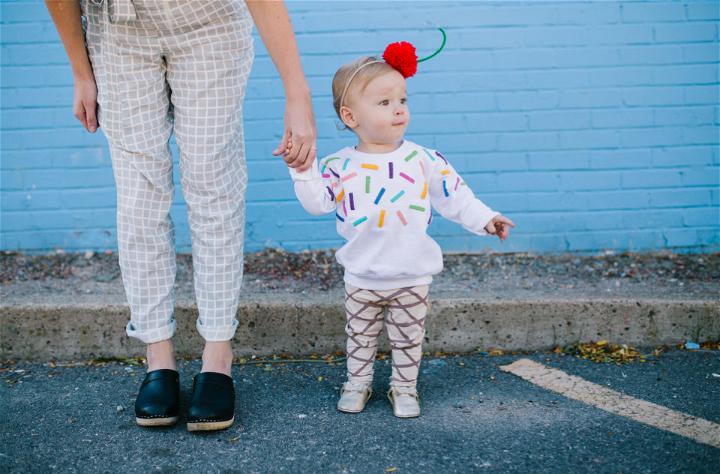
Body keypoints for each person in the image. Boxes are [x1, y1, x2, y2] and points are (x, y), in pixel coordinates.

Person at [45, 0, 316, 431]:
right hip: (117, 29)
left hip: (208, 22)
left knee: (213, 186)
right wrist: (80, 70)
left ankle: (218, 358)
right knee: (139, 197)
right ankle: (159, 359)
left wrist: (296, 91)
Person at [286, 40, 515, 418]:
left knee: (408, 338)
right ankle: (357, 383)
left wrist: (485, 218)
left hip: (412, 274)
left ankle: (404, 388)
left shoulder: (424, 160)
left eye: (402, 100)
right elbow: (317, 202)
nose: (398, 109)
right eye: (384, 102)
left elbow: (456, 196)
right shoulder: (338, 166)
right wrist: (303, 169)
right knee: (359, 337)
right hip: (362, 275)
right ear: (350, 116)